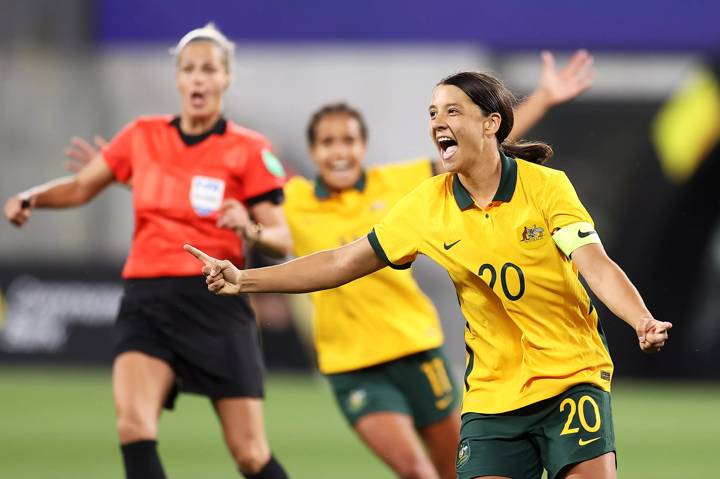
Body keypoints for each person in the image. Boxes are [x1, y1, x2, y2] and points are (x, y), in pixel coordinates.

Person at [65, 51, 595, 478]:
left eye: (348, 141)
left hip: (415, 349)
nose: (338, 152)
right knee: (413, 469)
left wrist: (544, 96)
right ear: (313, 153)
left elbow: (481, 142)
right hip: (349, 364)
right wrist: (135, 180)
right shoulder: (294, 199)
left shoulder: (400, 186)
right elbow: (238, 209)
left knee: (452, 467)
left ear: (363, 148)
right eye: (326, 143)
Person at [184, 70, 672, 479]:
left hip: (571, 376)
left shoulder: (546, 188)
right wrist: (243, 279)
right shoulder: (425, 205)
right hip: (491, 395)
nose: (438, 121)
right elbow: (339, 263)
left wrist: (640, 319)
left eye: (452, 111)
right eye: (433, 113)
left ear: (491, 124)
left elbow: (593, 264)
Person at [3, 24, 291, 479]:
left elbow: (282, 238)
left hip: (214, 301)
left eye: (209, 69)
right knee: (134, 426)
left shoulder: (249, 149)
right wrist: (32, 197)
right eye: (189, 68)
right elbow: (82, 186)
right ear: (178, 78)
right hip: (147, 299)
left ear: (225, 79)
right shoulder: (142, 135)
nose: (198, 78)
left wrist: (249, 228)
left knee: (250, 454)